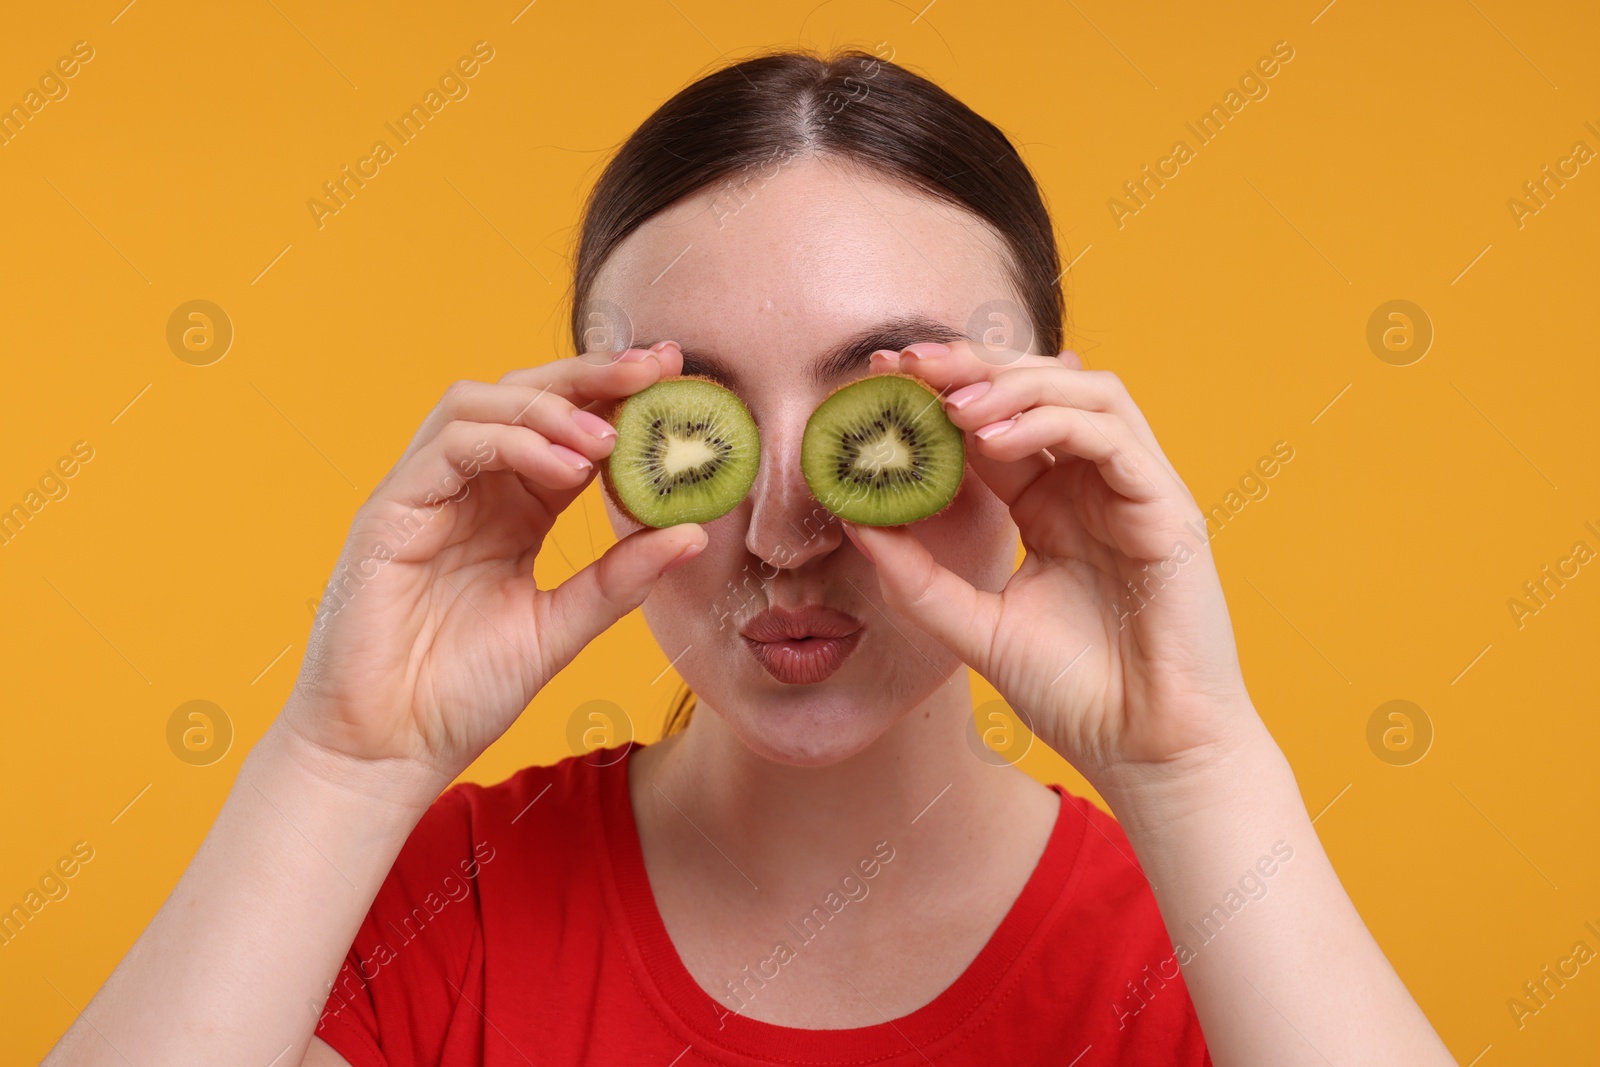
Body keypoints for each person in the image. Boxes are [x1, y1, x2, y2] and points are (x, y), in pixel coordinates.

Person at [45, 50, 1455, 1066]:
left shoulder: (1222, 939)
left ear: (1037, 431)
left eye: (870, 416)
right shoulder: (424, 917)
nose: (783, 534)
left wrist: (1199, 770)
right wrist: (334, 765)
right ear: (596, 437)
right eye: (697, 423)